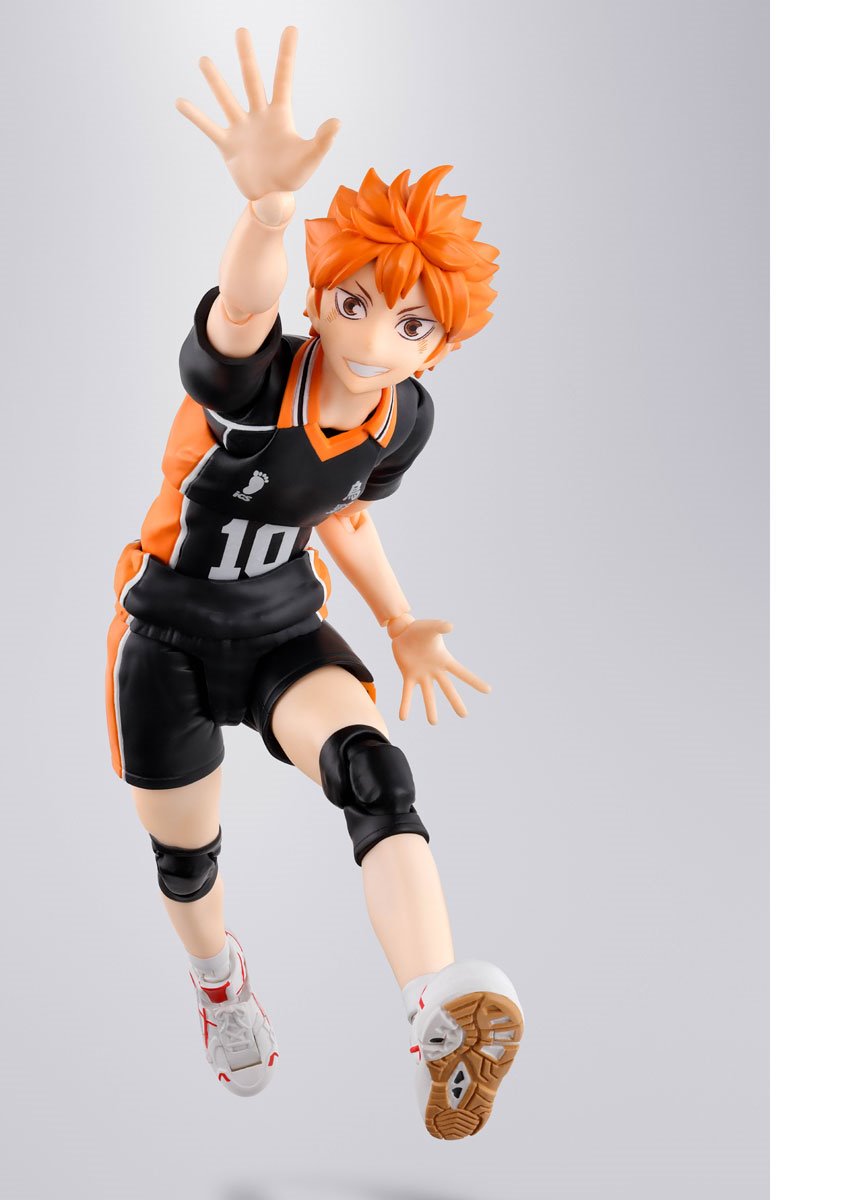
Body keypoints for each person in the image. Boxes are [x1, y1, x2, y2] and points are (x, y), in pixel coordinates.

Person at [105, 26, 523, 1139]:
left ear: (438, 347)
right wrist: (270, 212)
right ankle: (219, 986)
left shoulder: (404, 417)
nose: (376, 338)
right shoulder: (256, 382)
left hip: (281, 628)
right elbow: (241, 309)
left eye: (412, 323)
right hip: (169, 636)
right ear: (326, 295)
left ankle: (437, 1010)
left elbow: (338, 510)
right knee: (186, 862)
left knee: (375, 772)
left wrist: (399, 620)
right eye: (356, 303)